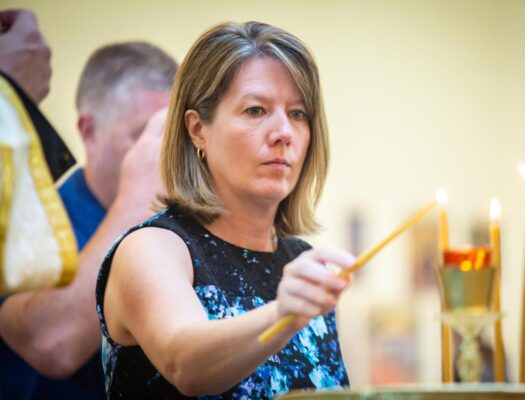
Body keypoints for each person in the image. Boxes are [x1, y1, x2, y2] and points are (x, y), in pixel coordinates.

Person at [96, 21, 355, 399]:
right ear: (197, 130)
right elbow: (185, 364)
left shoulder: (303, 261)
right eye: (255, 110)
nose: (284, 132)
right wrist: (283, 314)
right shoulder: (153, 248)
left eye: (298, 114)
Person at [0, 40, 177, 399]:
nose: (166, 156)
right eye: (143, 135)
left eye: (173, 138)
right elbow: (52, 344)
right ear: (89, 132)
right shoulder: (29, 225)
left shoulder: (178, 229)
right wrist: (137, 202)